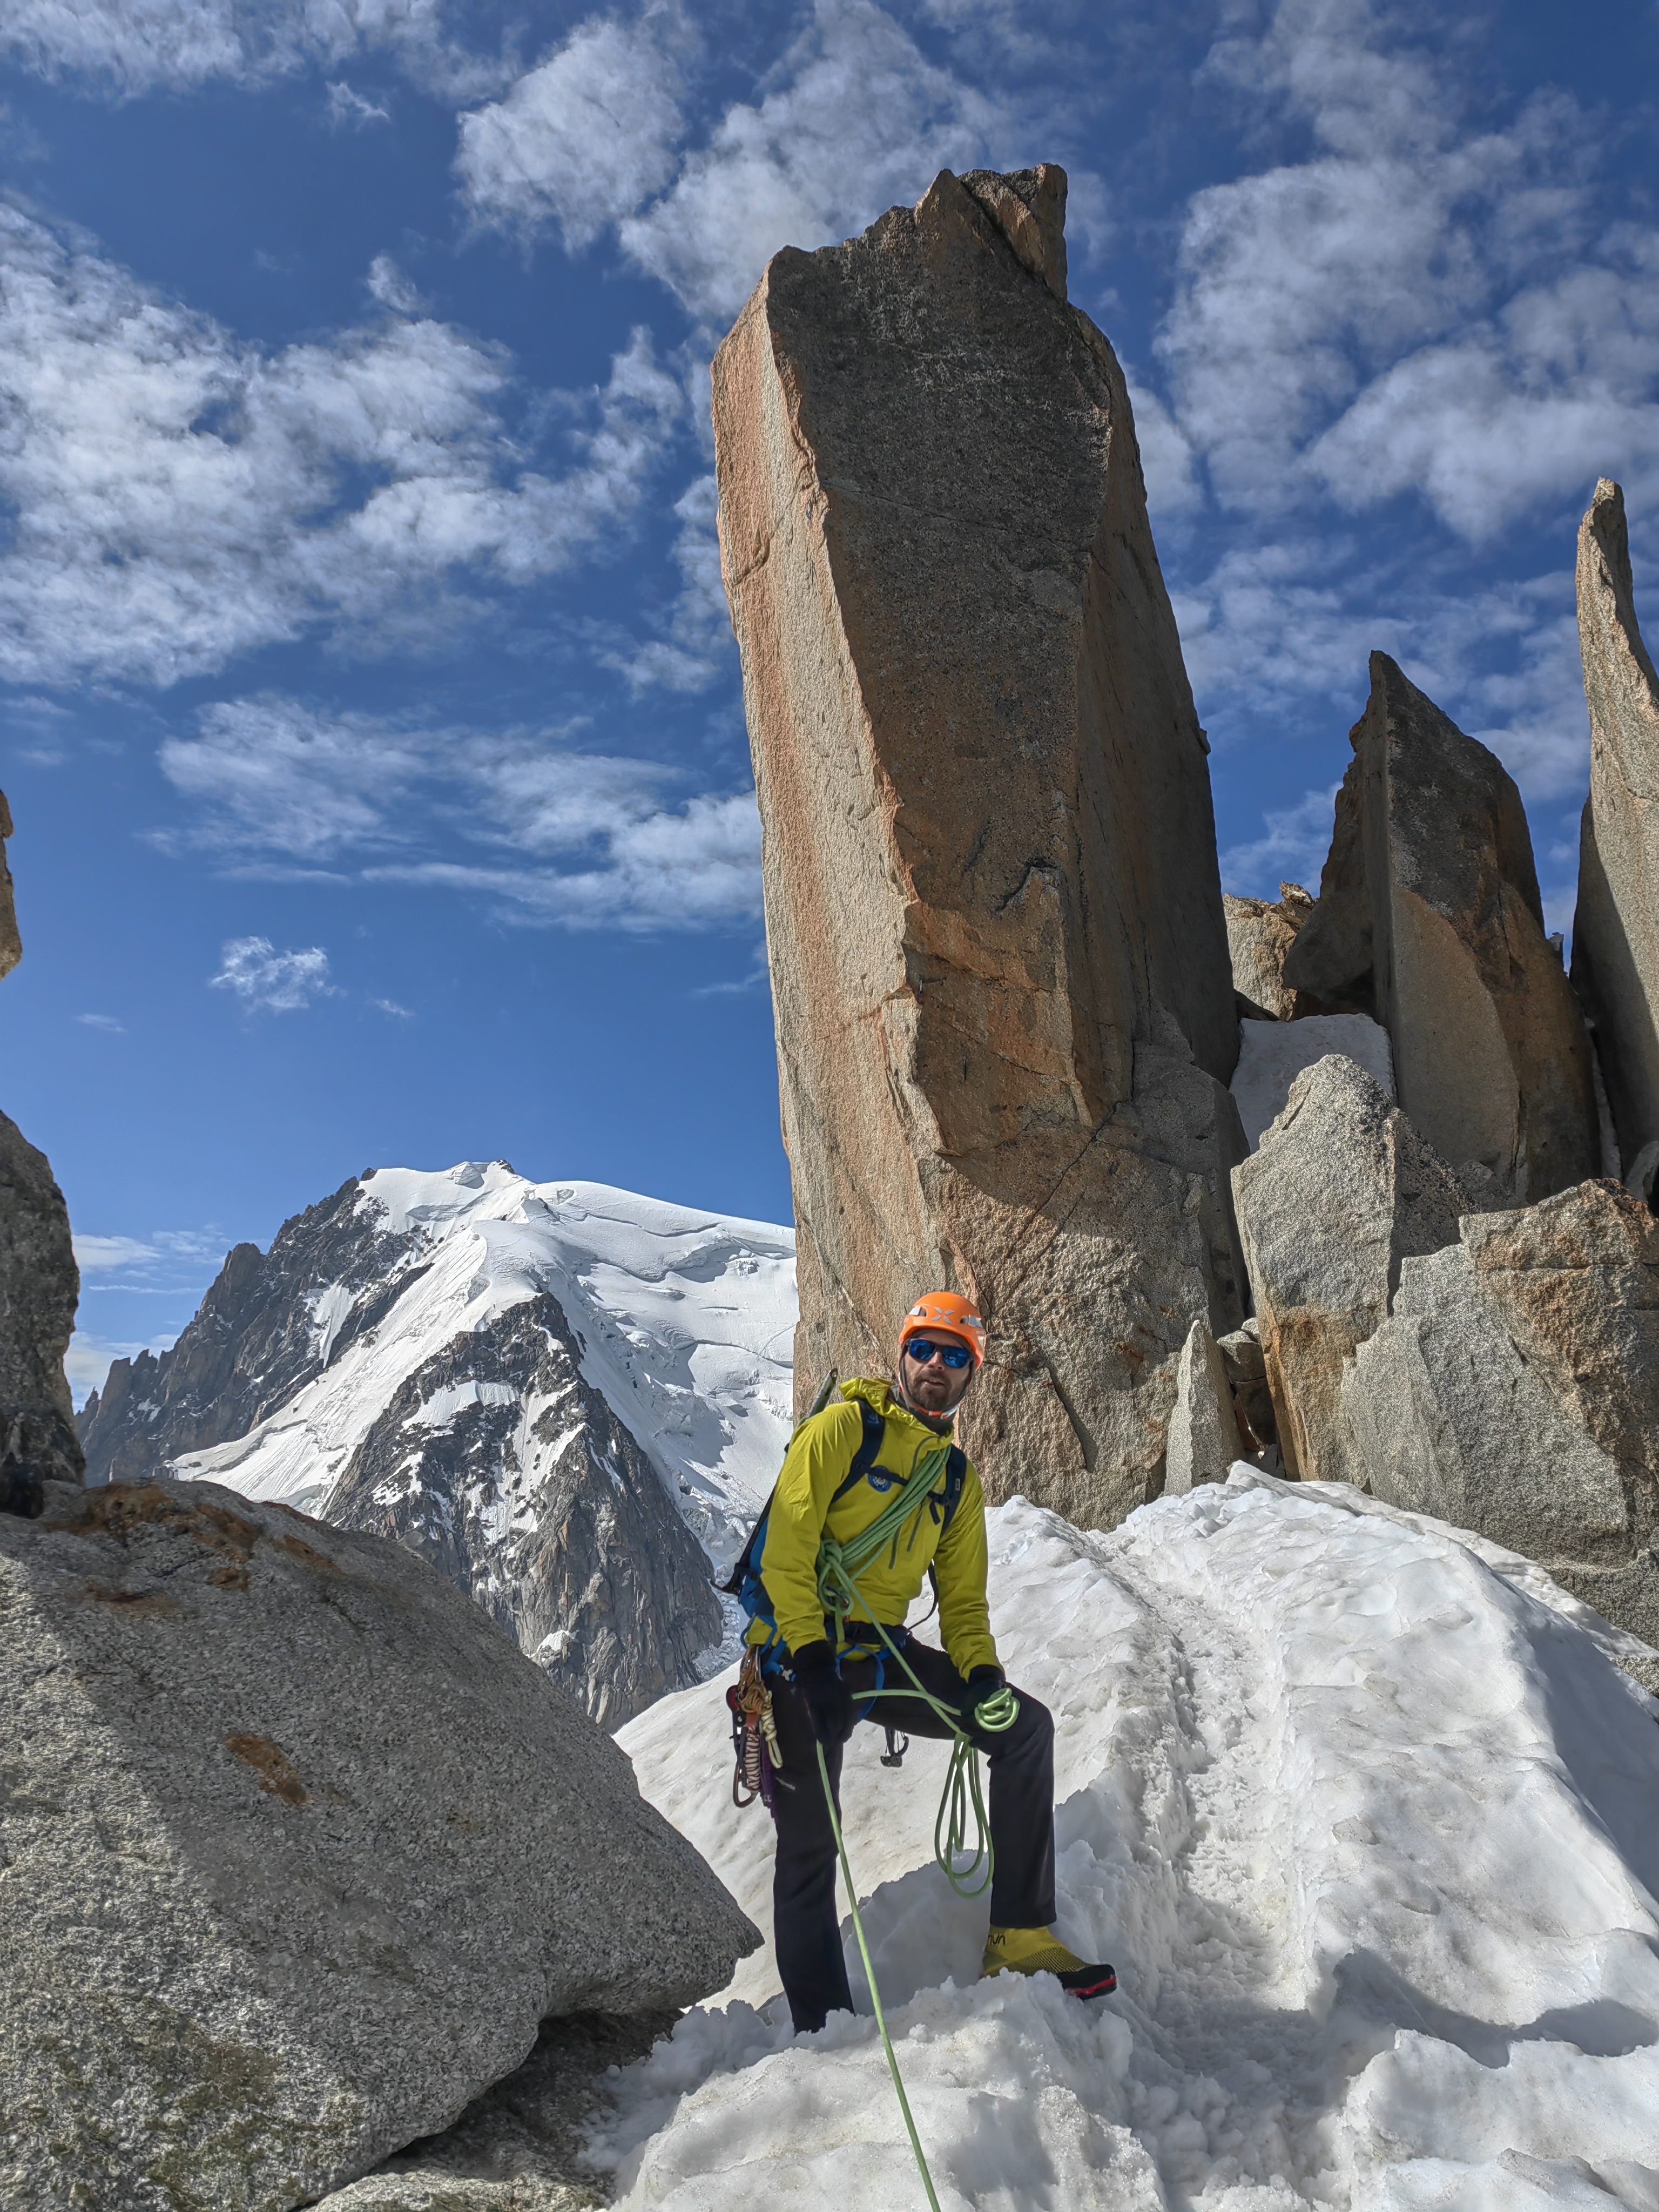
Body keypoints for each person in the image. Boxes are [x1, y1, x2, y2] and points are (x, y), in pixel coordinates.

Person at [750, 1291, 1117, 2034]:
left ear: (971, 1376)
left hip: (882, 1654)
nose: (936, 1368)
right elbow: (787, 1552)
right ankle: (823, 2026)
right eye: (926, 1349)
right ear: (902, 1354)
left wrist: (981, 1676)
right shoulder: (843, 1432)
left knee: (1023, 1729)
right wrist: (812, 1657)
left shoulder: (954, 1482)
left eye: (956, 1357)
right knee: (812, 1842)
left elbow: (963, 1606)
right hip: (800, 1656)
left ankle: (1019, 1937)